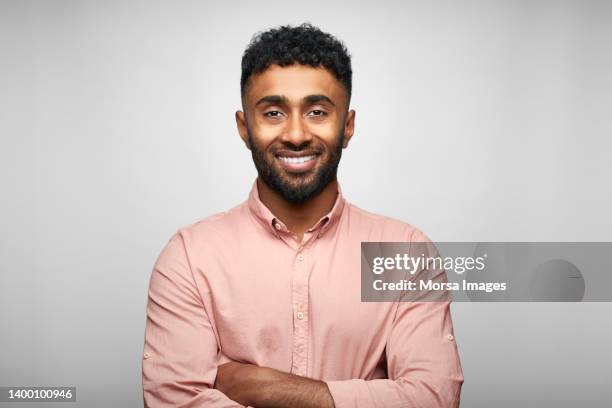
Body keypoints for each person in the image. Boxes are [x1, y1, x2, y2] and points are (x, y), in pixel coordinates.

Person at [142, 23, 463, 407]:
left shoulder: (406, 254)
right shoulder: (189, 258)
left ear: (347, 126)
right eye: (274, 112)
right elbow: (175, 401)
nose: (295, 134)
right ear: (244, 128)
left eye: (316, 111)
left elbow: (433, 399)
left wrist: (265, 388)